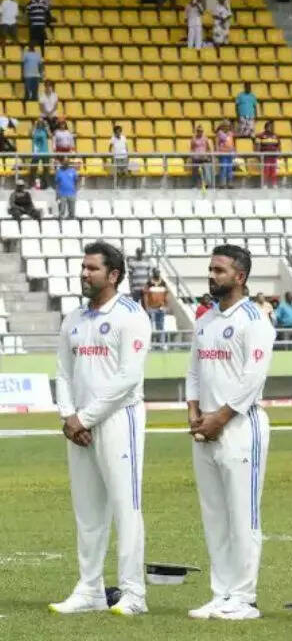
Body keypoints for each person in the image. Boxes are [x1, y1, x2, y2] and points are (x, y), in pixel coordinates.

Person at [49, 242, 151, 617]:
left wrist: (85, 417)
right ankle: (90, 589)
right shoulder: (74, 318)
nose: (84, 273)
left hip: (119, 419)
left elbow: (127, 377)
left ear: (113, 275)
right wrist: (68, 416)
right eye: (83, 267)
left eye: (92, 268)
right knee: (88, 512)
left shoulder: (131, 315)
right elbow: (63, 372)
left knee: (126, 507)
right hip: (79, 425)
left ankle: (133, 593)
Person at [184, 245, 276, 621]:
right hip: (205, 429)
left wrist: (220, 417)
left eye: (219, 270)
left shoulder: (255, 319)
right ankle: (221, 593)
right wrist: (194, 412)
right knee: (215, 516)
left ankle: (245, 598)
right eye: (210, 269)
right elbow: (194, 371)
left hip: (240, 427)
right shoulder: (205, 320)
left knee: (243, 516)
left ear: (240, 277)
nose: (211, 275)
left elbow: (253, 378)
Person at [143, 271, 168, 346]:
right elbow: (145, 296)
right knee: (151, 327)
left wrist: (165, 306)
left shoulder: (163, 283)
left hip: (161, 308)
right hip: (151, 308)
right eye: (156, 273)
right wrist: (147, 307)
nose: (157, 275)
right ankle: (151, 344)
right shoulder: (149, 283)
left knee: (161, 326)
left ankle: (162, 344)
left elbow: (166, 296)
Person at [254, 120, 280, 188]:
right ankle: (264, 184)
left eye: (272, 126)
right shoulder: (260, 135)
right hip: (265, 157)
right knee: (266, 170)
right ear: (266, 127)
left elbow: (278, 146)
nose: (271, 128)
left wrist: (278, 154)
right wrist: (258, 155)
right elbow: (257, 146)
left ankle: (274, 184)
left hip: (273, 156)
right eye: (270, 126)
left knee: (274, 171)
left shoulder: (276, 136)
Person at [190, 124, 213, 190]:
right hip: (196, 158)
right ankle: (195, 185)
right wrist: (192, 156)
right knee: (195, 171)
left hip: (204, 157)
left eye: (201, 131)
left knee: (206, 169)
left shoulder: (205, 138)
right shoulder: (193, 139)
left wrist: (209, 156)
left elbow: (208, 148)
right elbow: (192, 148)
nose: (200, 132)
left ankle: (207, 184)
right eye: (198, 131)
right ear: (196, 131)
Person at [30, 117, 51, 188]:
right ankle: (33, 183)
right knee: (33, 168)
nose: (40, 123)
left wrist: (46, 126)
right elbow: (31, 134)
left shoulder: (45, 130)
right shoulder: (34, 130)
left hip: (45, 151)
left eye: (41, 122)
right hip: (36, 151)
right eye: (39, 122)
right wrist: (34, 125)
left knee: (46, 168)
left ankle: (46, 184)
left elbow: (50, 135)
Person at [214, 120, 234, 187]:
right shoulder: (219, 133)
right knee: (223, 168)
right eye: (226, 126)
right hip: (223, 153)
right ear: (222, 126)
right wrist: (217, 152)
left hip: (230, 153)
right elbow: (217, 143)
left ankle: (230, 183)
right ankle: (222, 183)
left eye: (228, 126)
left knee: (230, 169)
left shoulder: (230, 133)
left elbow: (231, 142)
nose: (227, 127)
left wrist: (233, 150)